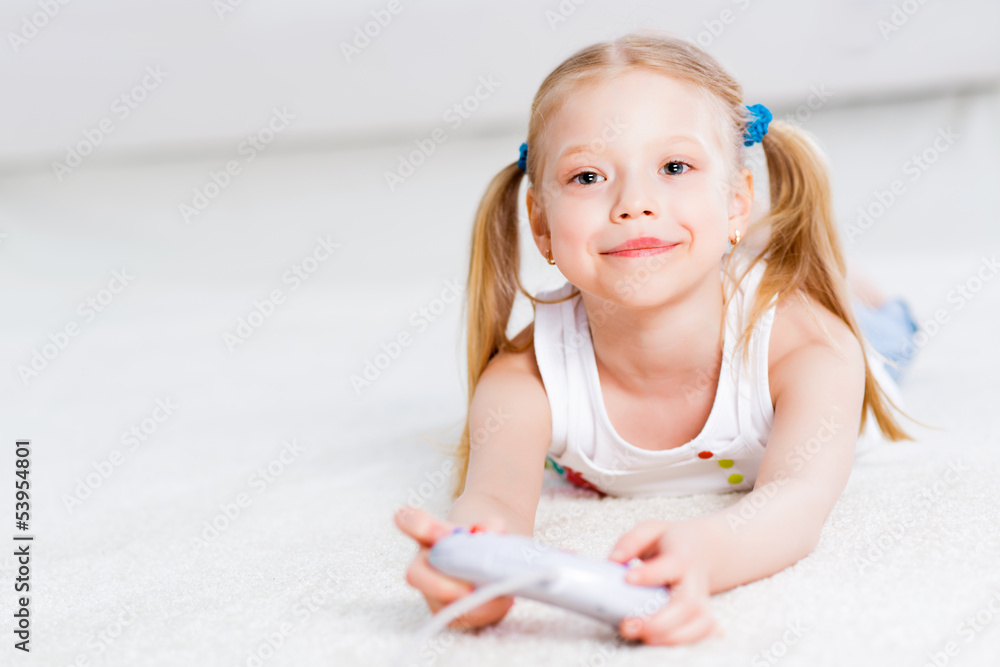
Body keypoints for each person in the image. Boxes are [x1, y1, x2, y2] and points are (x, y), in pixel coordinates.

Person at [395, 31, 920, 646]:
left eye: (674, 167)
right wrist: (473, 557)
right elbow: (495, 498)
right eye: (589, 176)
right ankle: (743, 246)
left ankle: (805, 267)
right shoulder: (525, 378)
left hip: (855, 336)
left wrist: (713, 548)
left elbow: (797, 499)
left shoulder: (811, 347)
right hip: (724, 261)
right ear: (539, 223)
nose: (635, 204)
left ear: (737, 200)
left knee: (889, 330)